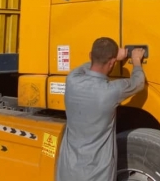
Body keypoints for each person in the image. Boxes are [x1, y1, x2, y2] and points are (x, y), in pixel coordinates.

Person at [56, 37, 146, 181]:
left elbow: (86, 66)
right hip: (97, 174)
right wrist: (136, 60)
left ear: (90, 56)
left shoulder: (72, 80)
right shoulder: (111, 91)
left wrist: (109, 57)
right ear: (112, 63)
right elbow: (138, 82)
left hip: (68, 171)